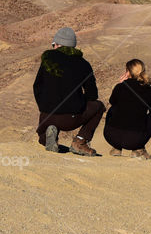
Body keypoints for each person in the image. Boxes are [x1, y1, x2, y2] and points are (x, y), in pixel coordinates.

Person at [33, 27, 104, 156]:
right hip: (70, 119)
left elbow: (37, 87)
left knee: (44, 133)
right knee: (99, 106)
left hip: (46, 116)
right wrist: (78, 101)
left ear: (57, 44)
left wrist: (44, 106)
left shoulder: (47, 61)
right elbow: (92, 95)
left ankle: (47, 137)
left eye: (53, 44)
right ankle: (80, 142)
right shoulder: (83, 64)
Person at [103, 59, 151, 159]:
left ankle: (116, 148)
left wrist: (121, 85)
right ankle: (139, 149)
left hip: (110, 136)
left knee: (113, 108)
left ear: (128, 72)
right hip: (134, 141)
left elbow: (112, 102)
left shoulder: (120, 87)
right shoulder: (149, 91)